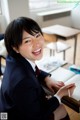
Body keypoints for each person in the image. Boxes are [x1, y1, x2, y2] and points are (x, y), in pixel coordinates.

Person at [0, 17, 75, 120]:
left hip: (7, 109)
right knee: (61, 108)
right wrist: (59, 95)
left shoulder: (12, 58)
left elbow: (33, 69)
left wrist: (46, 78)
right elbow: (36, 116)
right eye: (27, 41)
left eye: (37, 35)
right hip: (13, 116)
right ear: (15, 47)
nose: (37, 44)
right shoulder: (23, 81)